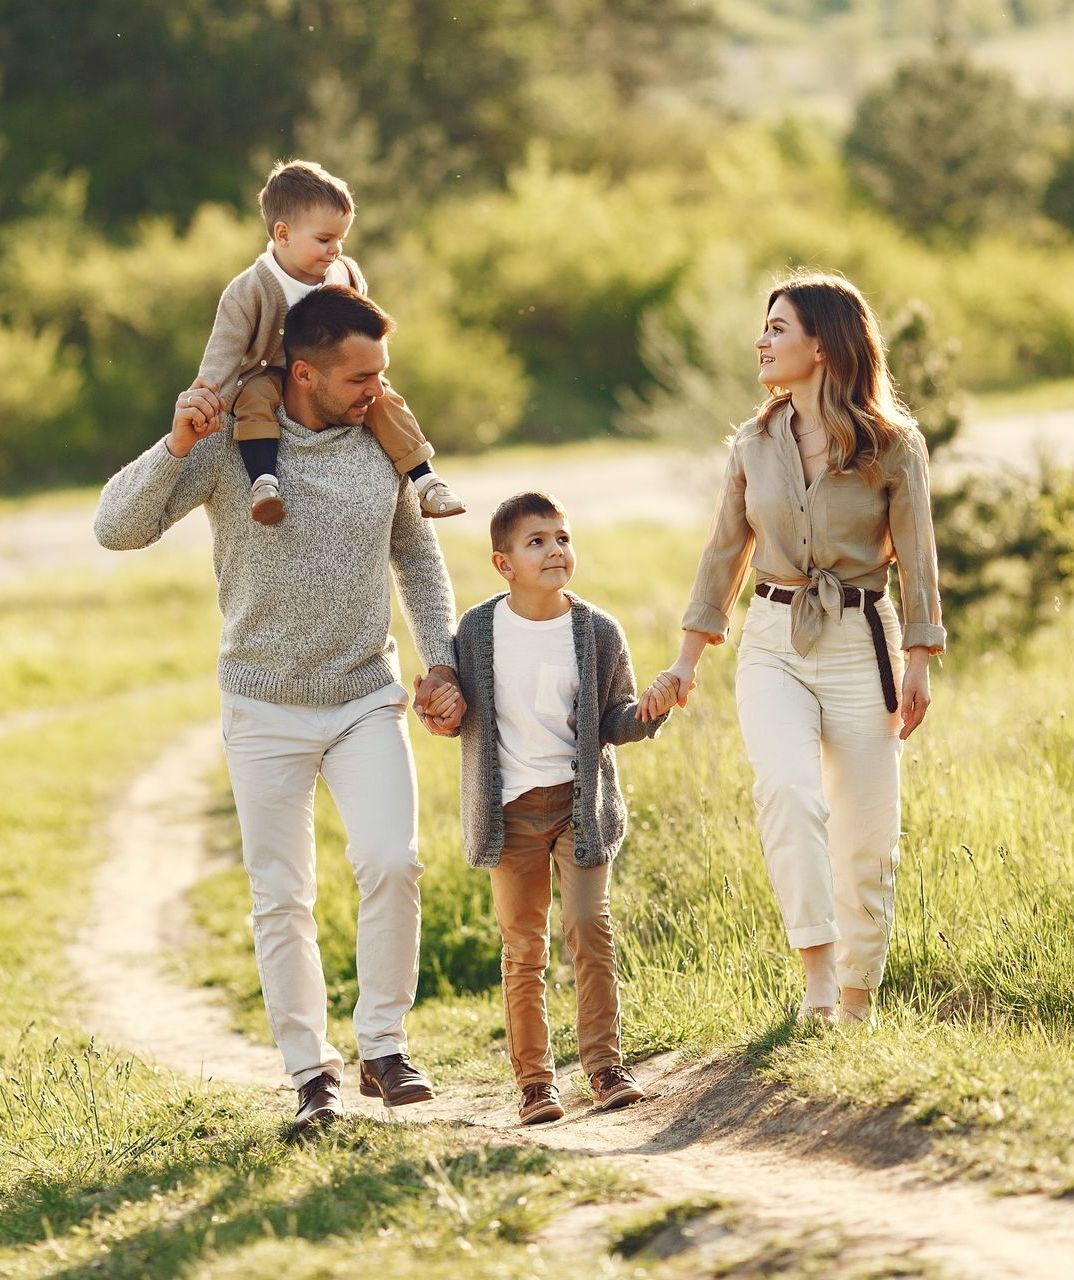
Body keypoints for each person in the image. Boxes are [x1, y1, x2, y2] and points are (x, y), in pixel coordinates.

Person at [95, 286, 466, 1133]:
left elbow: (419, 560)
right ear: (303, 373)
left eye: (382, 372)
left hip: (364, 695)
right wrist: (173, 443)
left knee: (391, 860)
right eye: (360, 376)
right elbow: (115, 529)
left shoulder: (381, 440)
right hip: (261, 704)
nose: (379, 390)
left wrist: (440, 663)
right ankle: (312, 1074)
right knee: (281, 896)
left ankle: (383, 1044)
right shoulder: (232, 444)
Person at [639, 271, 945, 1028]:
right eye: (764, 326)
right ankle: (815, 977)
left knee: (868, 833)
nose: (762, 341)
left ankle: (855, 1003)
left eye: (778, 327)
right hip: (772, 640)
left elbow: (917, 557)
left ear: (823, 343)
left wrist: (918, 659)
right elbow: (723, 554)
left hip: (861, 641)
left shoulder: (892, 445)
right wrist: (686, 659)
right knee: (787, 792)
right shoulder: (753, 442)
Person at [433, 491, 670, 1125]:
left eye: (562, 538)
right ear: (502, 563)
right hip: (508, 813)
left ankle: (604, 1068)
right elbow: (459, 717)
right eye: (536, 542)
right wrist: (437, 708)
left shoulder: (596, 631)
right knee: (524, 949)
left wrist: (646, 714)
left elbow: (611, 719)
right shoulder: (478, 632)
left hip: (579, 807)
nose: (555, 550)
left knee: (589, 929)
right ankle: (536, 1083)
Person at [194, 157, 464, 524]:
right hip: (272, 373)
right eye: (324, 239)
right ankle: (263, 482)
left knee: (383, 398)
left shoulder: (344, 272)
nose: (335, 249)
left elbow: (363, 325)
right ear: (283, 234)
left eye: (340, 238)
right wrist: (208, 396)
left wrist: (370, 372)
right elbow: (224, 352)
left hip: (334, 374)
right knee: (253, 398)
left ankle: (426, 481)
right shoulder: (250, 290)